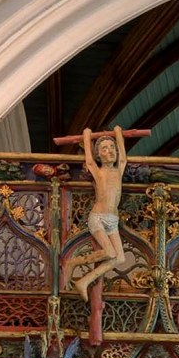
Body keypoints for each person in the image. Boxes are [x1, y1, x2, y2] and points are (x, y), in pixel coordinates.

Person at [73, 126, 127, 298]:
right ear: (99, 155)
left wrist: (118, 134)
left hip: (113, 220)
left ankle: (84, 281)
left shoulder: (118, 170)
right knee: (110, 253)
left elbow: (124, 159)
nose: (109, 151)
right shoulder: (99, 172)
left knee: (120, 258)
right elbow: (89, 162)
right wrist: (87, 137)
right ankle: (74, 262)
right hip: (98, 217)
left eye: (112, 148)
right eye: (104, 149)